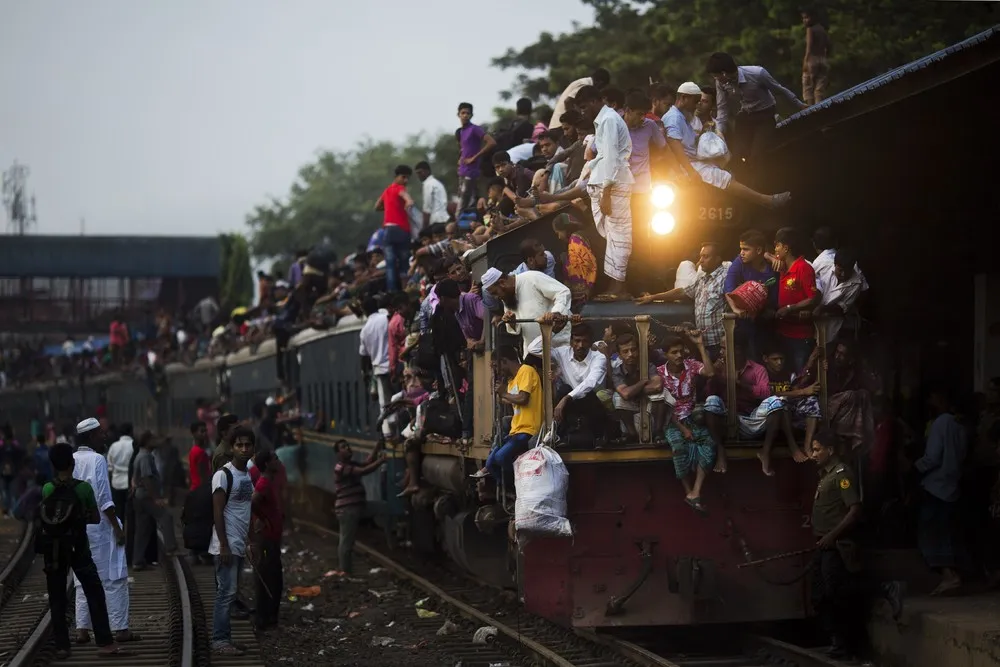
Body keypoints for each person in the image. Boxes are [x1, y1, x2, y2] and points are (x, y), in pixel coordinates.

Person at [37, 442, 127, 659]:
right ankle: (105, 643)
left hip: (54, 551)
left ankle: (62, 646)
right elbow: (95, 518)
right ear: (72, 462)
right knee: (94, 593)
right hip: (79, 549)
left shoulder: (47, 488)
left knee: (57, 598)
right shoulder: (83, 488)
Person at [664, 82, 791, 209]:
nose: (697, 105)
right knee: (723, 178)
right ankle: (767, 201)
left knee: (732, 169)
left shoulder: (684, 117)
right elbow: (674, 144)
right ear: (684, 98)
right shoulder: (674, 117)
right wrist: (690, 171)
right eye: (695, 101)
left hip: (697, 161)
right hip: (689, 165)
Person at [71, 418, 139, 645]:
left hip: (78, 528)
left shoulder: (72, 459)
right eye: (101, 433)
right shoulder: (97, 460)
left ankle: (82, 629)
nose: (105, 437)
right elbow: (103, 499)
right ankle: (120, 629)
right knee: (114, 578)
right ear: (90, 436)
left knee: (82, 579)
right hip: (100, 527)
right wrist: (118, 528)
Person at [808, 429, 865, 660]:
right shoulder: (826, 474)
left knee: (835, 594)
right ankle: (835, 639)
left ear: (830, 451)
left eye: (817, 449)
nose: (813, 454)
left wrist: (832, 536)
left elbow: (854, 511)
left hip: (836, 546)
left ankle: (844, 644)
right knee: (819, 594)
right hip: (824, 545)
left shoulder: (842, 474)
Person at [574, 84, 634, 299]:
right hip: (609, 183)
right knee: (614, 235)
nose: (583, 112)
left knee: (619, 235)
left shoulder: (608, 119)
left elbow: (610, 157)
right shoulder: (604, 119)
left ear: (593, 102)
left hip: (613, 185)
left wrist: (607, 192)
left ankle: (619, 289)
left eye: (583, 107)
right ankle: (616, 287)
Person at [706, 52, 807, 165]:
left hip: (765, 115)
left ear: (724, 73)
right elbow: (722, 108)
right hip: (745, 115)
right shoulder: (721, 83)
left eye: (716, 76)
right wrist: (719, 131)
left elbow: (779, 90)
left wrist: (799, 105)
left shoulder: (757, 73)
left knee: (756, 156)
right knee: (738, 155)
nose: (715, 79)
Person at [914, 387, 968, 596]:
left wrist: (914, 467)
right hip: (952, 486)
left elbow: (932, 457)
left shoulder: (941, 423)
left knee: (931, 533)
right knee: (946, 532)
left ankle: (949, 575)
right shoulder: (959, 425)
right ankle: (951, 575)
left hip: (936, 486)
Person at [636, 242, 730, 361]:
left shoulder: (726, 277)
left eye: (706, 257)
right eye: (701, 256)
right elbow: (683, 292)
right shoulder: (702, 278)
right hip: (701, 341)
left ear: (717, 259)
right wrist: (653, 297)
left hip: (719, 343)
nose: (701, 260)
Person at [209, 426, 256, 656]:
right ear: (231, 447)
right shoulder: (223, 475)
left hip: (238, 543)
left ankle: (226, 638)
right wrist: (224, 545)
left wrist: (249, 541)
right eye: (239, 445)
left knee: (231, 593)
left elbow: (245, 510)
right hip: (225, 545)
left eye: (248, 445)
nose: (244, 449)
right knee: (226, 593)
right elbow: (217, 512)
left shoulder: (247, 473)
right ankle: (219, 640)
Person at [658, 333, 717, 513]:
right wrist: (683, 429)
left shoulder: (690, 365)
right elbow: (665, 407)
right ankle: (688, 491)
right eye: (673, 352)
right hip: (672, 420)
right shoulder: (660, 373)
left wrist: (700, 345)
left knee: (709, 443)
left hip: (692, 415)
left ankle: (695, 491)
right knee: (678, 447)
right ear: (665, 354)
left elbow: (710, 372)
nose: (678, 355)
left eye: (680, 351)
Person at [472, 345, 543, 486]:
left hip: (529, 429)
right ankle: (510, 492)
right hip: (516, 430)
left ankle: (520, 487)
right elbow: (508, 399)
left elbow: (523, 399)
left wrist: (504, 393)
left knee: (501, 457)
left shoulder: (526, 371)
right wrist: (497, 391)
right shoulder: (512, 381)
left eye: (496, 366)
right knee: (490, 463)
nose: (497, 371)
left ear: (503, 361)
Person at [483, 267, 572, 353]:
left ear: (502, 283)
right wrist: (512, 323)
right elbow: (516, 330)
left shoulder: (532, 278)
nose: (496, 297)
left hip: (559, 347)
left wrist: (556, 312)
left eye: (495, 293)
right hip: (534, 352)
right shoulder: (507, 297)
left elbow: (562, 292)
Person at [333, 440, 385, 575]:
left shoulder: (350, 464)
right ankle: (345, 570)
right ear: (338, 453)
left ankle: (392, 539)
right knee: (346, 541)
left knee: (384, 508)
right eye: (343, 447)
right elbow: (363, 470)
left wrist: (377, 447)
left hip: (357, 507)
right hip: (348, 509)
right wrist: (381, 461)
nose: (348, 448)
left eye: (348, 446)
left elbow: (367, 462)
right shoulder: (341, 467)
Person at [772, 227, 820, 372]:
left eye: (777, 245)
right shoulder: (783, 267)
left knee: (801, 376)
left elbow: (813, 299)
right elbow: (766, 256)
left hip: (800, 336)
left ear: (786, 248)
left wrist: (789, 309)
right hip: (783, 332)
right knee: (787, 377)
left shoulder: (803, 268)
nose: (775, 249)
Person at [131, 431, 180, 570]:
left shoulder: (140, 455)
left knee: (142, 530)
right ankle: (171, 547)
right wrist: (156, 498)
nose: (156, 442)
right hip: (146, 496)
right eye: (153, 439)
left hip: (140, 496)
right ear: (147, 441)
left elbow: (136, 478)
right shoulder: (145, 457)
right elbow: (147, 478)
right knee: (165, 516)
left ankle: (137, 561)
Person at [611, 333, 669, 442]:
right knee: (617, 397)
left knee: (662, 393)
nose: (630, 354)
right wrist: (643, 381)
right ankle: (631, 433)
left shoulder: (648, 366)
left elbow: (657, 386)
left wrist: (635, 392)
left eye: (633, 350)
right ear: (619, 355)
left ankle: (658, 432)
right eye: (625, 351)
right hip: (631, 408)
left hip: (648, 405)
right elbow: (625, 394)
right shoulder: (617, 371)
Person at [250, 449, 283, 632]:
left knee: (273, 575)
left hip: (271, 538)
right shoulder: (263, 483)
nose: (278, 461)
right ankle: (263, 617)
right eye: (275, 459)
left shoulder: (269, 482)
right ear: (267, 464)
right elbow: (253, 501)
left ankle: (268, 615)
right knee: (268, 575)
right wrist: (262, 518)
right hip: (267, 539)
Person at [375, 164, 416, 293]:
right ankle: (406, 291)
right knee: (404, 264)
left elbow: (377, 206)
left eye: (407, 178)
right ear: (396, 177)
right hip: (401, 230)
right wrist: (409, 201)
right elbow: (406, 196)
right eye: (403, 177)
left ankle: (392, 293)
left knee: (390, 265)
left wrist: (387, 208)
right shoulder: (400, 188)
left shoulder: (387, 191)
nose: (406, 180)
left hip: (387, 231)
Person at [358, 297, 392, 437]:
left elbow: (363, 355)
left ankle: (389, 433)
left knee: (386, 403)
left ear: (364, 311)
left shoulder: (365, 330)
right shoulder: (385, 318)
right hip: (395, 365)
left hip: (380, 369)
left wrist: (364, 372)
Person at [456, 102, 497, 212]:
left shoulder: (475, 129)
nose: (465, 115)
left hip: (472, 171)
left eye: (468, 113)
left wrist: (475, 157)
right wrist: (461, 159)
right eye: (463, 113)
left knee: (463, 205)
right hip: (462, 171)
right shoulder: (461, 132)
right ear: (458, 114)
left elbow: (491, 142)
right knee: (463, 201)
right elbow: (464, 148)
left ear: (471, 115)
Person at [801, 8, 831, 106]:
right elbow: (829, 46)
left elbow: (809, 47)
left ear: (813, 18)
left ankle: (810, 111)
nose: (805, 20)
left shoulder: (810, 29)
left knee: (808, 87)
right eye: (803, 18)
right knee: (819, 89)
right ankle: (820, 109)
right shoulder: (822, 29)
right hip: (823, 59)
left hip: (812, 60)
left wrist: (806, 61)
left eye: (806, 17)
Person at [105, 423, 133, 519]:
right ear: (131, 432)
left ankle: (119, 531)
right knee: (130, 513)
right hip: (130, 484)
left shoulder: (114, 446)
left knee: (118, 512)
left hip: (116, 483)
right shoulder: (134, 445)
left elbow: (110, 466)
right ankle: (130, 533)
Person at [415, 161, 449, 229]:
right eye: (417, 173)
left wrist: (424, 228)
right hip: (445, 219)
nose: (419, 175)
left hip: (436, 221)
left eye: (420, 172)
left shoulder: (428, 184)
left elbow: (427, 208)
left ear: (427, 171)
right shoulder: (437, 183)